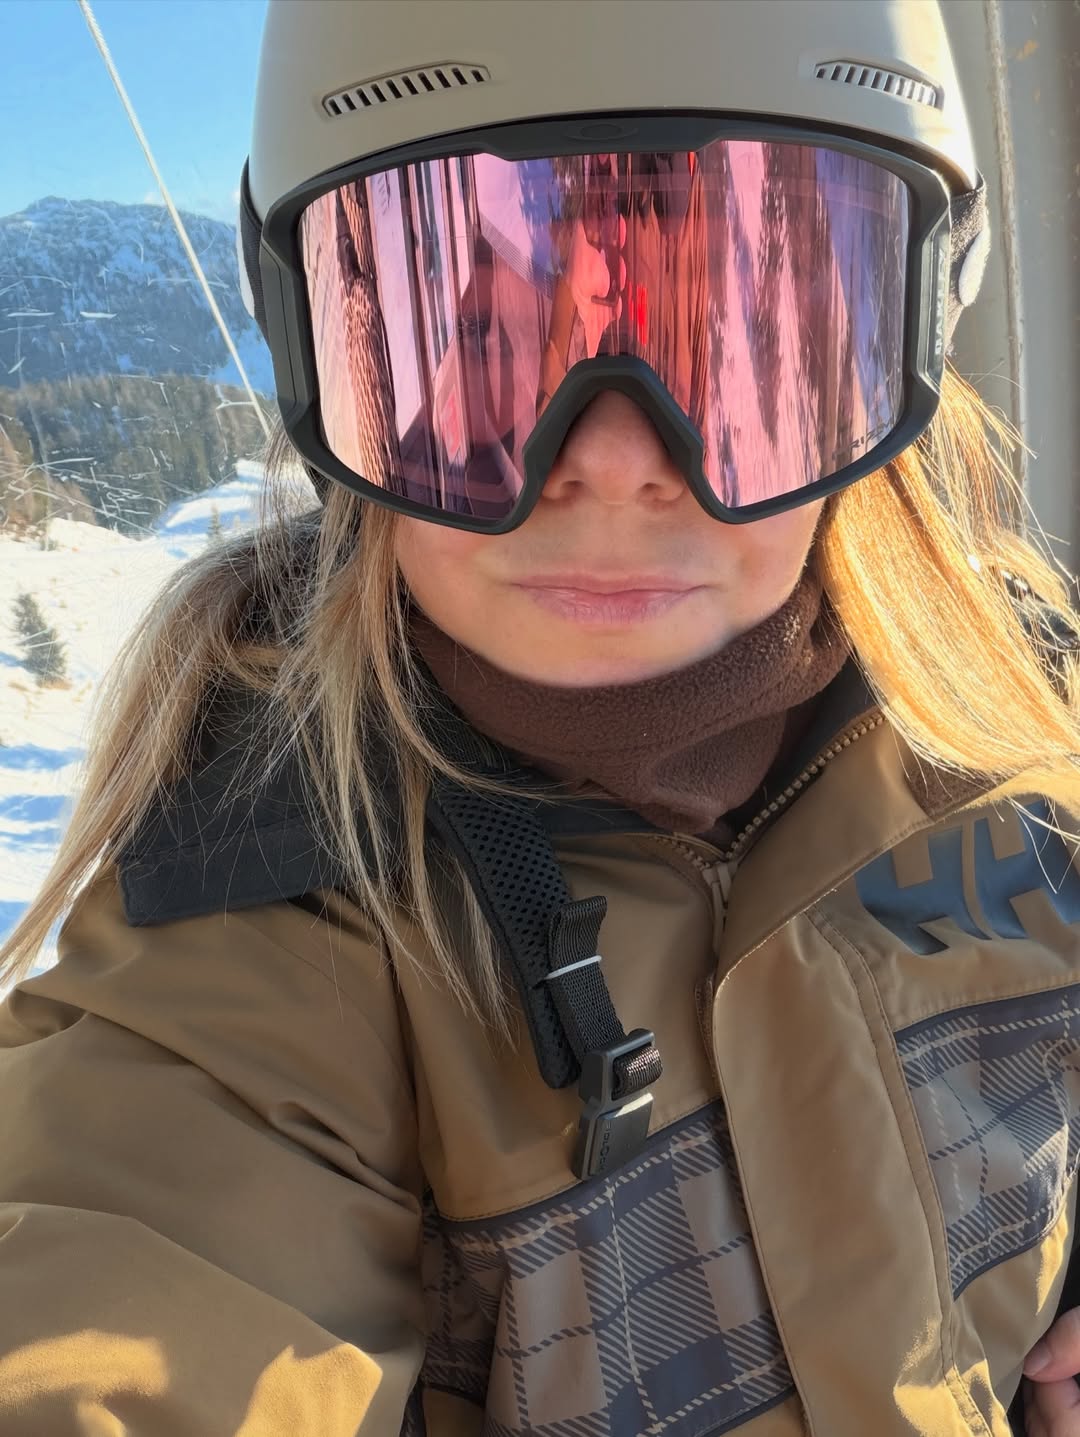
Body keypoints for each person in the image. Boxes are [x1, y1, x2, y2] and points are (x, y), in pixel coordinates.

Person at [2, 1, 1080, 1432]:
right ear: (323, 363)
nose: (617, 463)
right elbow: (122, 1303)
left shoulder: (1023, 708)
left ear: (904, 340)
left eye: (745, 346)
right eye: (481, 350)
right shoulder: (262, 941)